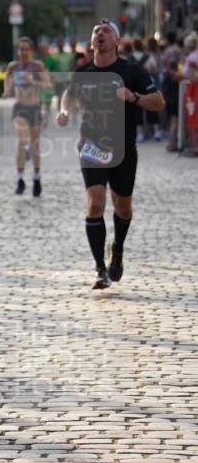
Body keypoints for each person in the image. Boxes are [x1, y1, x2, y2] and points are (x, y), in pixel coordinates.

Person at [56, 19, 164, 289]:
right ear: (92, 42)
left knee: (123, 206)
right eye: (95, 31)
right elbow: (69, 96)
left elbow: (158, 102)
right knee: (95, 202)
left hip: (123, 148)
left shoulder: (131, 71)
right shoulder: (82, 72)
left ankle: (117, 247)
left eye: (106, 31)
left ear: (117, 41)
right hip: (91, 145)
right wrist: (65, 111)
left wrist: (134, 97)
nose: (99, 34)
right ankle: (99, 268)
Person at [4, 36, 51, 196]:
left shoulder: (37, 66)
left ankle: (37, 178)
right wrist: (7, 90)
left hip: (35, 108)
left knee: (35, 146)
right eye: (21, 49)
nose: (23, 52)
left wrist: (32, 81)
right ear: (18, 51)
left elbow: (47, 85)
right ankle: (20, 179)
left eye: (26, 49)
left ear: (31, 51)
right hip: (20, 108)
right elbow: (8, 81)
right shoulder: (13, 66)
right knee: (21, 141)